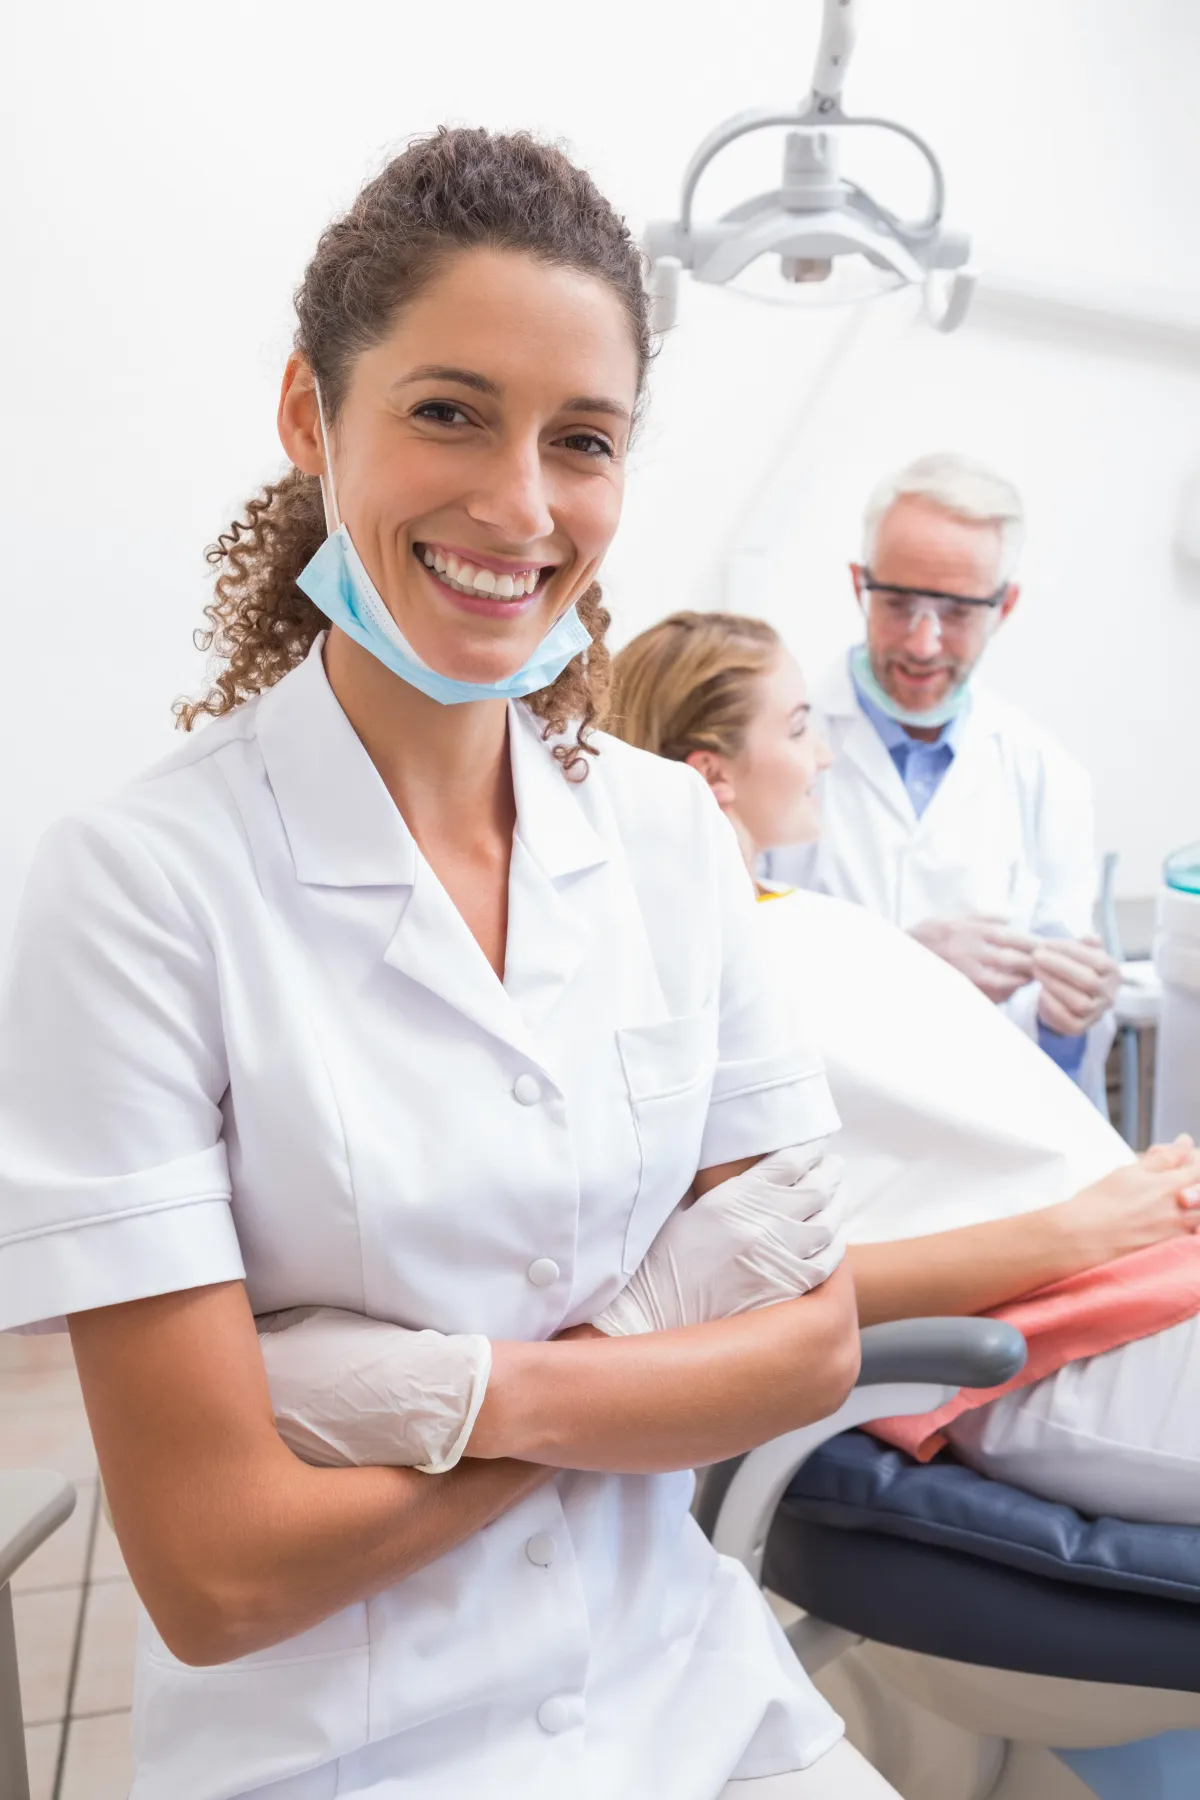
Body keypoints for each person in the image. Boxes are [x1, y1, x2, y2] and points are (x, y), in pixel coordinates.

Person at [0, 132, 902, 1800]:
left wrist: (412, 1391)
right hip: (348, 1755)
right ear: (306, 417)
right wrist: (634, 1362)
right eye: (446, 411)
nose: (520, 505)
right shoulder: (139, 889)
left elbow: (812, 1346)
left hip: (694, 1704)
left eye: (583, 440)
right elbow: (219, 1571)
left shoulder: (666, 840)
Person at [608, 610, 1200, 1526]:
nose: (827, 755)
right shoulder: (692, 989)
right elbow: (763, 1285)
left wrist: (1126, 1193)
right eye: (800, 727)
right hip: (1056, 1344)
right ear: (710, 775)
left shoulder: (803, 921)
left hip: (1146, 1268)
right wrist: (1088, 1225)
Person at [763, 454, 1120, 1108]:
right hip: (829, 1146)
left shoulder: (1049, 775)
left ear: (1003, 606)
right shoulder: (766, 749)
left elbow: (1059, 1054)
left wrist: (1069, 1021)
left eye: (956, 612)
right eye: (898, 604)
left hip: (992, 1142)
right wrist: (898, 970)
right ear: (858, 586)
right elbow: (730, 987)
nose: (923, 644)